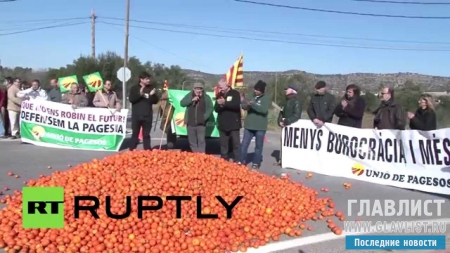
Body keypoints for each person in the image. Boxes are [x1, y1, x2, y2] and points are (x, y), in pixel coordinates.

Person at [240, 80, 270, 169]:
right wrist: (245, 103)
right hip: (249, 126)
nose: (255, 91)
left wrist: (253, 105)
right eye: (255, 89)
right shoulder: (251, 96)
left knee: (258, 146)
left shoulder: (266, 98)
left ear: (262, 90)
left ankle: (256, 162)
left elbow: (264, 110)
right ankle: (241, 161)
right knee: (244, 144)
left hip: (260, 127)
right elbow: (244, 106)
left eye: (257, 89)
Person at [128, 72, 159, 151]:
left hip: (147, 115)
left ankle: (147, 150)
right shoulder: (134, 88)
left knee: (146, 134)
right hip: (136, 115)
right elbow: (132, 99)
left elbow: (155, 101)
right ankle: (132, 149)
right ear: (141, 79)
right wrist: (140, 94)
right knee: (135, 133)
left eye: (149, 78)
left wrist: (153, 95)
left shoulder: (151, 88)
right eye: (146, 79)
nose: (148, 80)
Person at [180, 82, 213, 153]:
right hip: (190, 123)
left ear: (202, 89)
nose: (198, 90)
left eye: (200, 89)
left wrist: (204, 118)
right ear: (193, 89)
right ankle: (196, 156)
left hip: (201, 124)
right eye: (196, 89)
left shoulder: (206, 97)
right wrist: (191, 100)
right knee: (192, 141)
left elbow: (210, 108)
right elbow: (182, 103)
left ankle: (201, 156)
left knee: (201, 141)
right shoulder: (189, 95)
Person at [214, 79, 241, 162]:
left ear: (228, 86)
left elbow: (236, 105)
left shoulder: (235, 93)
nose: (220, 89)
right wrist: (219, 105)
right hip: (222, 123)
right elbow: (216, 109)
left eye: (221, 87)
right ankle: (224, 158)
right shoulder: (219, 95)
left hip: (233, 123)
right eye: (219, 87)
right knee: (223, 143)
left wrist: (225, 103)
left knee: (235, 143)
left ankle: (237, 159)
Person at [275, 83, 302, 166]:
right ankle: (281, 160)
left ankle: (290, 161)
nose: (286, 90)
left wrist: (287, 121)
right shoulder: (285, 101)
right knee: (282, 142)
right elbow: (281, 112)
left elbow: (297, 115)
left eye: (287, 89)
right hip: (284, 126)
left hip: (292, 127)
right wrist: (279, 121)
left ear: (292, 90)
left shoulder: (297, 102)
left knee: (290, 144)